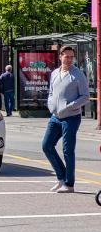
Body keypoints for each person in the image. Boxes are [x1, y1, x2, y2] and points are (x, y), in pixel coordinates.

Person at [43, 45, 89, 193]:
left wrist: (70, 106)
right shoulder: (55, 73)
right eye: (66, 56)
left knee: (67, 150)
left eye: (71, 57)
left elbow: (85, 97)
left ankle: (69, 184)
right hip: (55, 117)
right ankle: (61, 178)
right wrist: (50, 105)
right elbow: (51, 92)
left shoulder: (78, 75)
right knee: (46, 146)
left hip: (71, 117)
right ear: (60, 56)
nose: (69, 59)